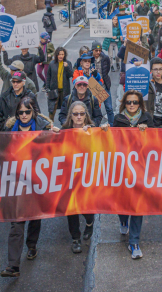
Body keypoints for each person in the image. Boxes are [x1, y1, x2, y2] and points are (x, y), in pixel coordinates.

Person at [0, 97, 57, 278]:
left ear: (33, 112)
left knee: (34, 216)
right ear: (17, 114)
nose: (24, 115)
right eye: (20, 112)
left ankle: (32, 245)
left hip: (37, 181)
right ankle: (13, 266)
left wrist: (56, 133)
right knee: (16, 223)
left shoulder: (43, 127)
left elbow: (57, 148)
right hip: (16, 182)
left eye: (27, 112)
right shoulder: (9, 129)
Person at [101, 90, 154, 260]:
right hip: (123, 168)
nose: (132, 105)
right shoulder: (118, 119)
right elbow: (112, 140)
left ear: (140, 104)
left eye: (135, 102)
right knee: (123, 201)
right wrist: (105, 130)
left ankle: (134, 242)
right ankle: (123, 221)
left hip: (141, 168)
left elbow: (158, 141)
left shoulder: (147, 118)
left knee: (137, 204)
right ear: (124, 104)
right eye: (129, 102)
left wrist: (148, 132)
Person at [61, 101, 96, 253]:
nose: (79, 117)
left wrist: (92, 134)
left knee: (86, 208)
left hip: (87, 176)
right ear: (71, 116)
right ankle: (76, 238)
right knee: (71, 209)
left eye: (82, 114)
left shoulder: (92, 130)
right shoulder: (64, 131)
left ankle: (89, 222)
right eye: (76, 114)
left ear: (86, 115)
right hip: (69, 176)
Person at [46, 47, 73, 121]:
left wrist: (67, 67)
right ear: (56, 55)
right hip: (54, 90)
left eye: (62, 54)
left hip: (64, 90)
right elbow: (48, 76)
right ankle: (50, 124)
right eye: (59, 54)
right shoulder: (52, 64)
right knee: (52, 109)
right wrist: (47, 89)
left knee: (65, 108)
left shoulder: (67, 63)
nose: (61, 56)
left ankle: (66, 124)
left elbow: (71, 75)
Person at [91, 40, 114, 126]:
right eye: (96, 51)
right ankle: (95, 126)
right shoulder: (88, 57)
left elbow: (106, 71)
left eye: (100, 50)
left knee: (109, 107)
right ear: (92, 50)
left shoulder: (105, 58)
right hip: (93, 86)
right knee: (95, 108)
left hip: (104, 85)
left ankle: (111, 125)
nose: (98, 52)